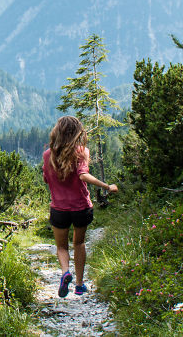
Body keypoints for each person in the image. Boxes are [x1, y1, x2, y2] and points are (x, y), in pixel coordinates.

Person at [42, 115, 118, 297]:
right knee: (79, 243)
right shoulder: (82, 152)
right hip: (81, 207)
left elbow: (46, 178)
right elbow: (83, 175)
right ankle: (79, 284)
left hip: (59, 208)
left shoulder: (48, 155)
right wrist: (107, 186)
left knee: (61, 246)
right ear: (77, 133)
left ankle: (65, 272)